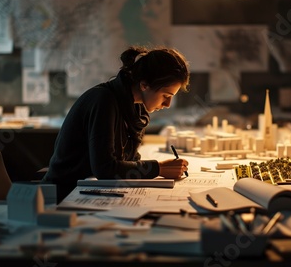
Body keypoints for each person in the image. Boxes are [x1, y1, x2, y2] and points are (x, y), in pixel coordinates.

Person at [42, 45, 190, 202]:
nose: (167, 104)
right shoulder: (104, 101)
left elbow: (127, 159)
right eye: (166, 95)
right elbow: (105, 169)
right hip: (64, 195)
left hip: (89, 190)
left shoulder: (134, 107)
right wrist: (158, 169)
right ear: (144, 85)